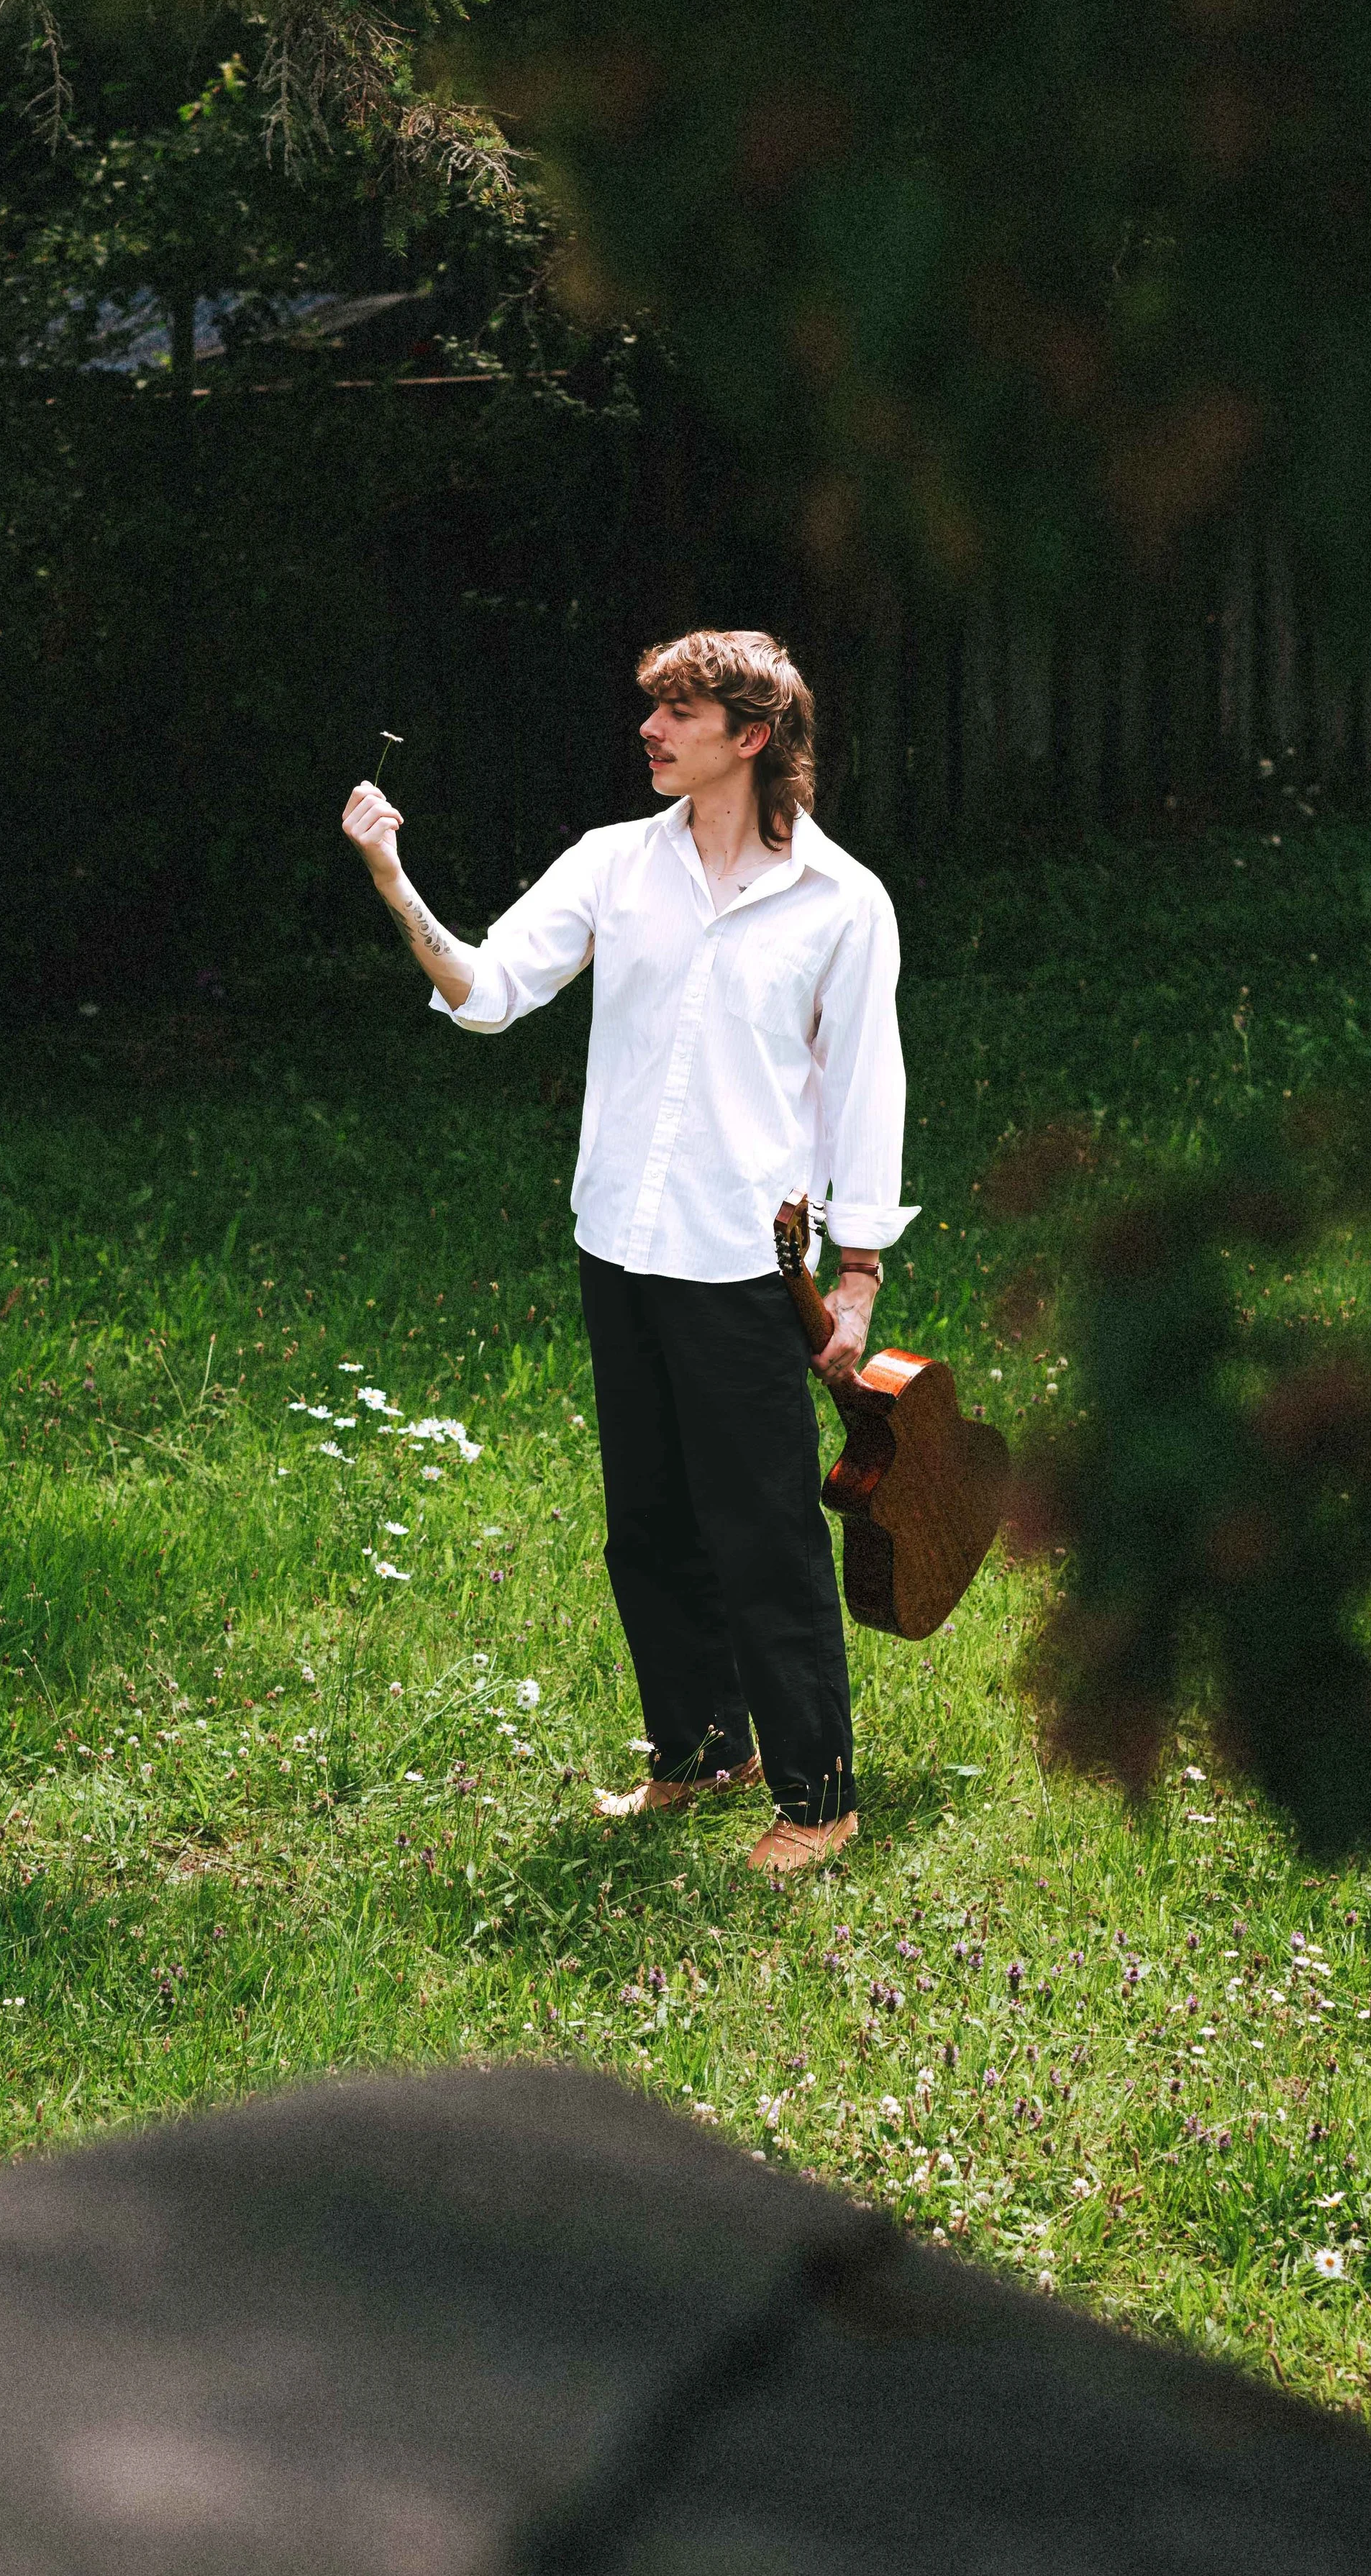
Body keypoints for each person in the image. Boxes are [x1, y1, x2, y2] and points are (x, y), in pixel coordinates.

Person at [340, 628, 917, 1872]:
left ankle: (820, 1798)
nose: (649, 731)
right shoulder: (614, 863)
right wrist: (392, 879)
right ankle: (703, 1752)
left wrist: (859, 1277)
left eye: (679, 713)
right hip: (620, 1245)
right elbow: (488, 992)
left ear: (751, 737)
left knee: (765, 1533)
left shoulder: (841, 901)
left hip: (745, 1265)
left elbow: (868, 1091)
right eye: (652, 709)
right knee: (648, 1526)